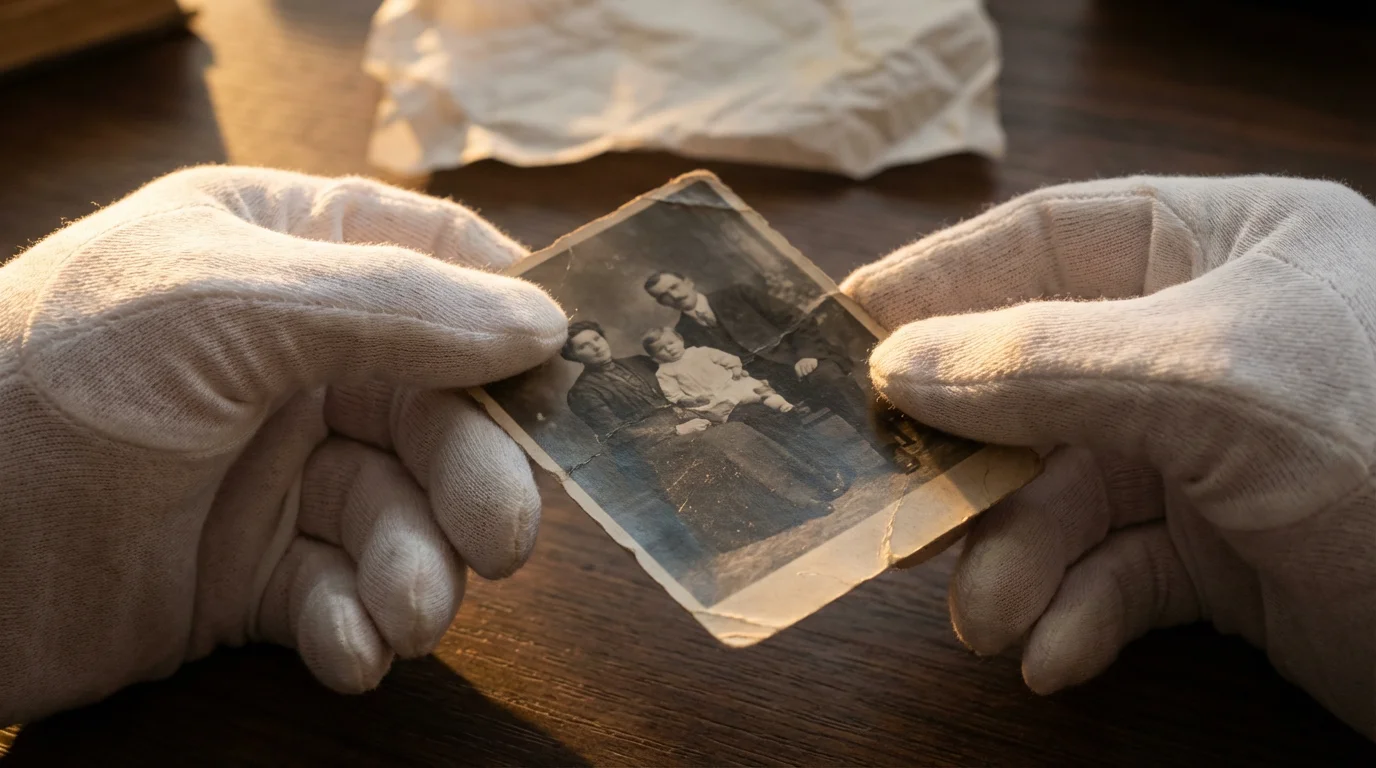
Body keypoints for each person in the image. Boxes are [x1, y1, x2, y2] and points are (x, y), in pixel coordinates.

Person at [0, 167, 1371, 743]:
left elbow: (726, 384)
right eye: (639, 326)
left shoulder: (702, 342)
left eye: (656, 313)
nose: (647, 323)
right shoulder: (649, 367)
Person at [560, 319, 834, 555]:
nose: (596, 346)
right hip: (653, 446)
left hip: (693, 418)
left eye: (596, 338)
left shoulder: (640, 362)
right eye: (584, 346)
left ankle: (814, 483)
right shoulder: (583, 392)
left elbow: (685, 382)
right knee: (729, 437)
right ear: (574, 356)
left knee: (747, 418)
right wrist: (674, 430)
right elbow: (615, 434)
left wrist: (730, 379)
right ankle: (798, 504)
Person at [642, 271, 905, 466]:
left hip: (796, 363)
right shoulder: (682, 335)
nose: (674, 295)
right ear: (662, 303)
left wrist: (806, 355)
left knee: (828, 379)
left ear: (688, 281)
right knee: (753, 415)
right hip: (755, 384)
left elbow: (797, 319)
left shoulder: (737, 293)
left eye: (675, 286)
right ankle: (827, 474)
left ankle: (891, 450)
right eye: (664, 296)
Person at [642, 326, 794, 422]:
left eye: (671, 343)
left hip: (732, 382)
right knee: (730, 412)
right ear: (655, 357)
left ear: (680, 339)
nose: (669, 349)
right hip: (713, 398)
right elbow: (674, 395)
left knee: (759, 391)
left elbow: (728, 359)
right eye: (661, 349)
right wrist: (693, 400)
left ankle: (783, 405)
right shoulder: (665, 372)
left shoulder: (701, 352)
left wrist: (735, 369)